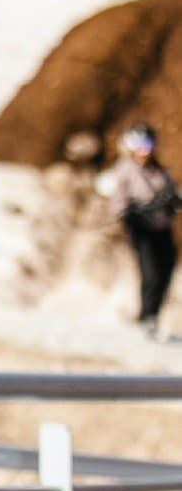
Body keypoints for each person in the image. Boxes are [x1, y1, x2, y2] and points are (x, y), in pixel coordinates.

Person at [106, 122, 180, 337]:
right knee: (151, 272)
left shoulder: (160, 171)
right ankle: (146, 317)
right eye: (141, 145)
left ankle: (153, 316)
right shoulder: (126, 170)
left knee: (166, 269)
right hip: (142, 229)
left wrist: (173, 202)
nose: (146, 151)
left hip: (162, 228)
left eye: (149, 144)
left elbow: (172, 194)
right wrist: (129, 214)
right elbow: (117, 201)